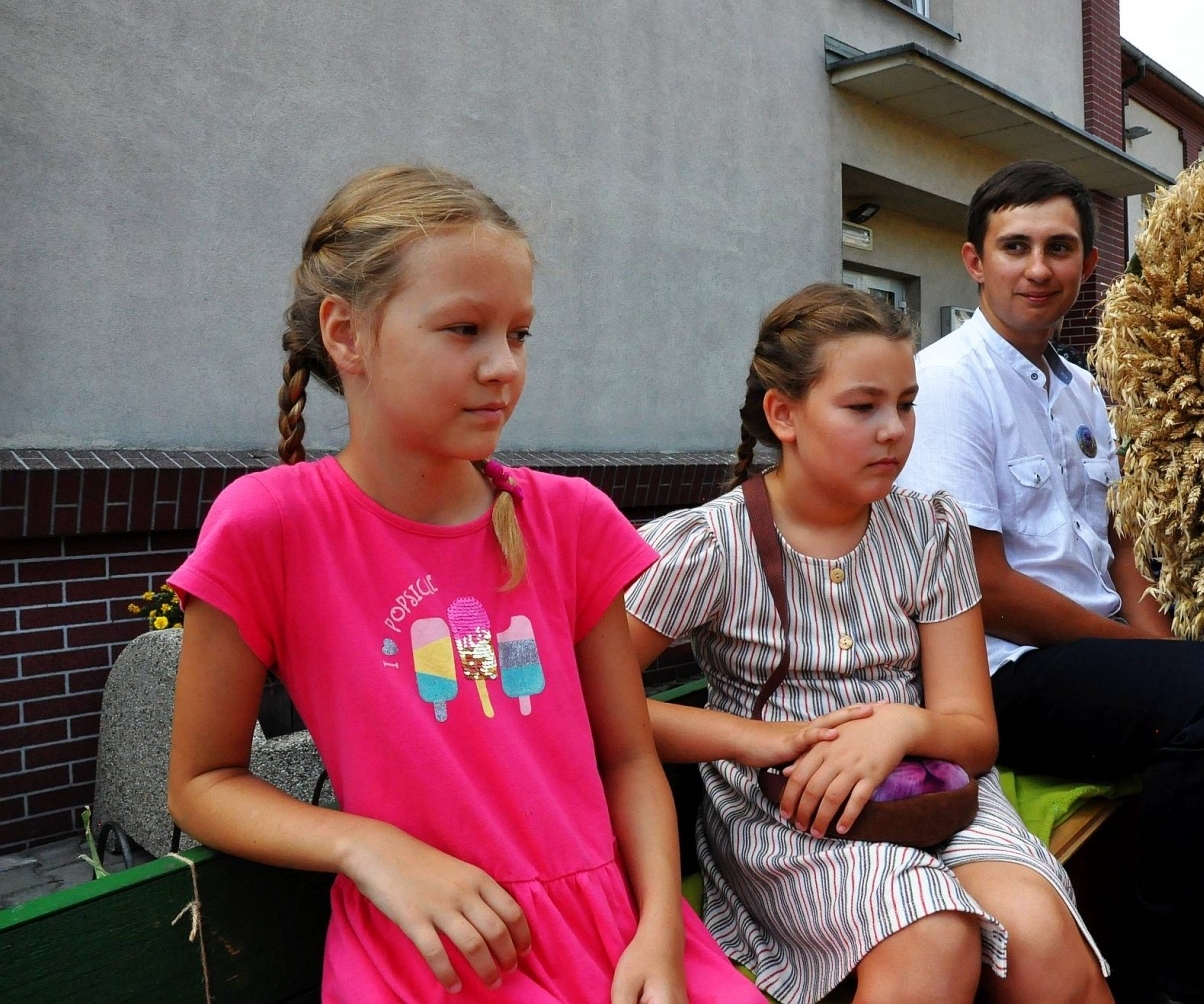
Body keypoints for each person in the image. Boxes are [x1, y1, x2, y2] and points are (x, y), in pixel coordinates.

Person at [166, 165, 763, 1003]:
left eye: (519, 333)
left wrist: (661, 928)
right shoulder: (272, 528)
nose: (503, 366)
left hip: (620, 937)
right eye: (464, 329)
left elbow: (628, 755)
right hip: (435, 956)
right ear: (346, 333)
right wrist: (367, 846)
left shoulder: (570, 520)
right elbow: (201, 782)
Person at [625, 284, 1113, 1004]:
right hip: (791, 815)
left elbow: (974, 734)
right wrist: (753, 738)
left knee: (1039, 938)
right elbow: (578, 698)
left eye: (906, 404)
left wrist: (901, 726)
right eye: (863, 407)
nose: (894, 430)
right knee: (933, 937)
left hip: (935, 788)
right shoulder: (709, 544)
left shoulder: (930, 529)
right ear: (783, 414)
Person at [896, 160, 1204, 1004]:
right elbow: (982, 584)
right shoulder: (948, 382)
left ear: (1086, 264)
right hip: (1001, 671)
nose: (1037, 268)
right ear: (975, 261)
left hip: (1088, 655)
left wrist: (1165, 654)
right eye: (1015, 246)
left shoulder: (1081, 388)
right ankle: (1176, 982)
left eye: (1059, 247)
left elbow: (1121, 550)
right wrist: (1148, 659)